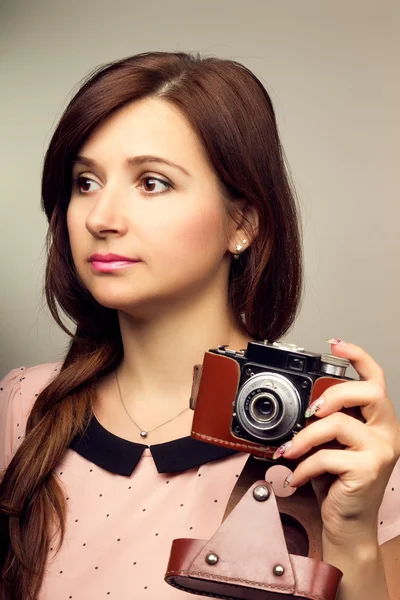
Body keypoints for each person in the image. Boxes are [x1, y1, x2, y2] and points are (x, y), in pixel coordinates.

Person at [0, 51, 399, 600]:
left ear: (243, 222)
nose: (100, 218)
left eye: (152, 183)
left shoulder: (335, 445)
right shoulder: (21, 407)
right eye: (85, 181)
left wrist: (351, 536)